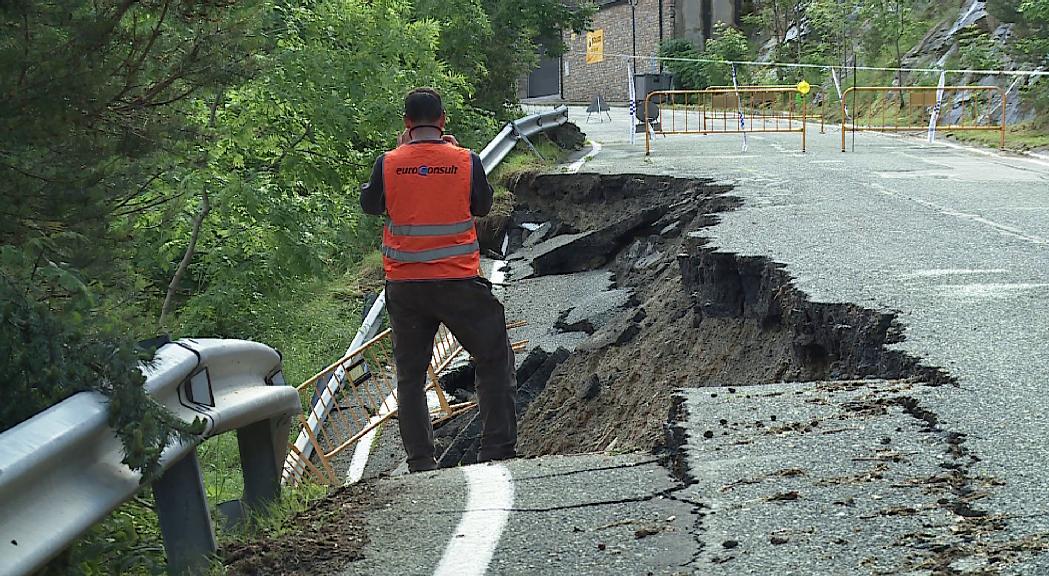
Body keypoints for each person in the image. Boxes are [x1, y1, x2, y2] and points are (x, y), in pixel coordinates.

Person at [360, 87, 517, 472]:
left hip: (406, 288)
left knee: (410, 377)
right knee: (493, 358)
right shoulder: (465, 160)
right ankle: (497, 449)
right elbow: (482, 206)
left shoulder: (389, 163)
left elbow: (370, 205)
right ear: (443, 120)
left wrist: (400, 161)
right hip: (458, 283)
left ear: (406, 124)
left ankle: (420, 462)